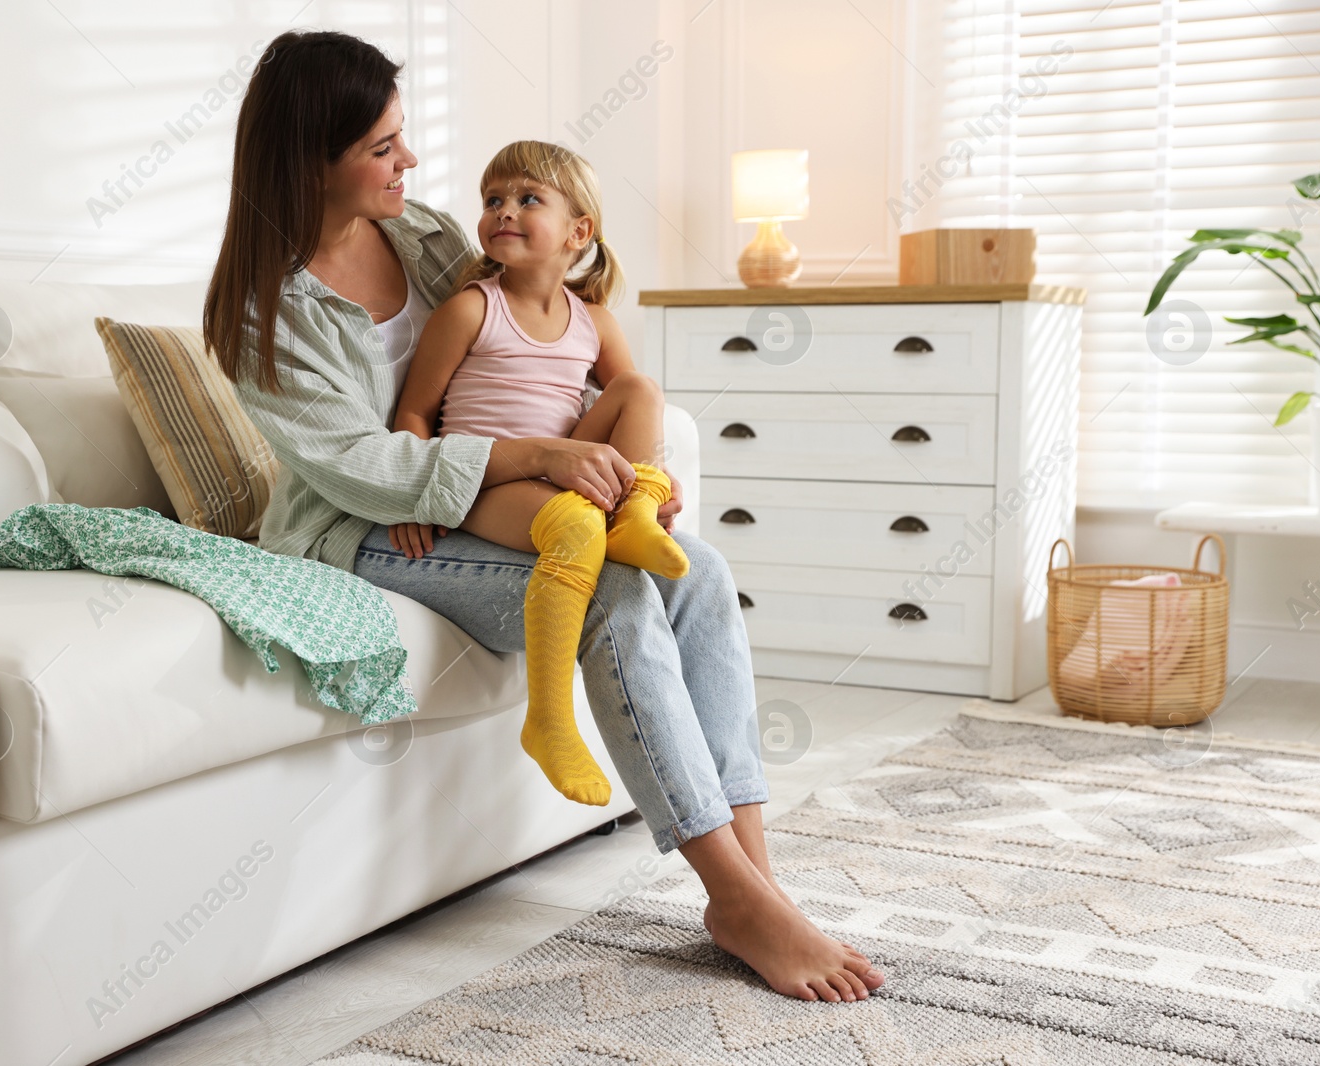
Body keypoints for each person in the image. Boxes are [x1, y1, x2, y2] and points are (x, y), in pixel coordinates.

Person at [202, 28, 884, 1004]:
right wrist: (538, 455)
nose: (412, 162)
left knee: (697, 574)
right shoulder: (265, 313)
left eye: (404, 138)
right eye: (383, 147)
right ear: (314, 157)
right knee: (611, 591)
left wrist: (603, 448)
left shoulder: (429, 237)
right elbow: (360, 464)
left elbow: (529, 334)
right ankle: (729, 891)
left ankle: (755, 878)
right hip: (363, 531)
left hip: (488, 499)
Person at [391, 139, 687, 809]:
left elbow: (628, 416)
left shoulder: (594, 322)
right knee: (578, 526)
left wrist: (655, 483)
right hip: (480, 482)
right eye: (493, 199)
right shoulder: (472, 307)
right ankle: (550, 720)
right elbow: (414, 409)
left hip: (558, 470)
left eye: (528, 199)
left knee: (640, 388)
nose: (504, 211)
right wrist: (410, 491)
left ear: (579, 231)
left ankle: (635, 520)